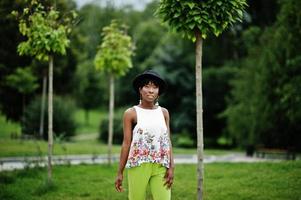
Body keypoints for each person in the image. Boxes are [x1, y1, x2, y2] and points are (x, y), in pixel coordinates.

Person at [115, 70, 174, 200]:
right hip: (138, 165)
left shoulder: (164, 113)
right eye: (147, 86)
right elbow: (126, 143)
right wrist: (120, 172)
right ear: (140, 90)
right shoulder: (131, 113)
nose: (151, 90)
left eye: (155, 87)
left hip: (160, 165)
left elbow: (167, 141)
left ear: (158, 91)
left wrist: (171, 167)